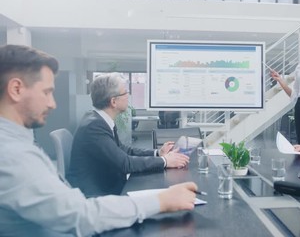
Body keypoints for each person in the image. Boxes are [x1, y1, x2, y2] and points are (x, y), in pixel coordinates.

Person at [0, 44, 197, 236]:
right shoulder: (12, 153)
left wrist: (157, 154)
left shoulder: (19, 143)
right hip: (90, 203)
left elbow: (122, 150)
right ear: (16, 89)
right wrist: (161, 200)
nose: (52, 104)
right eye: (47, 92)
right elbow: (81, 216)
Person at [68, 73, 190, 197]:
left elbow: (124, 150)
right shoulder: (94, 127)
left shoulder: (99, 119)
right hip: (97, 194)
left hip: (106, 184)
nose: (128, 96)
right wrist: (165, 161)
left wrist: (158, 153)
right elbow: (125, 164)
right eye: (125, 92)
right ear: (113, 102)